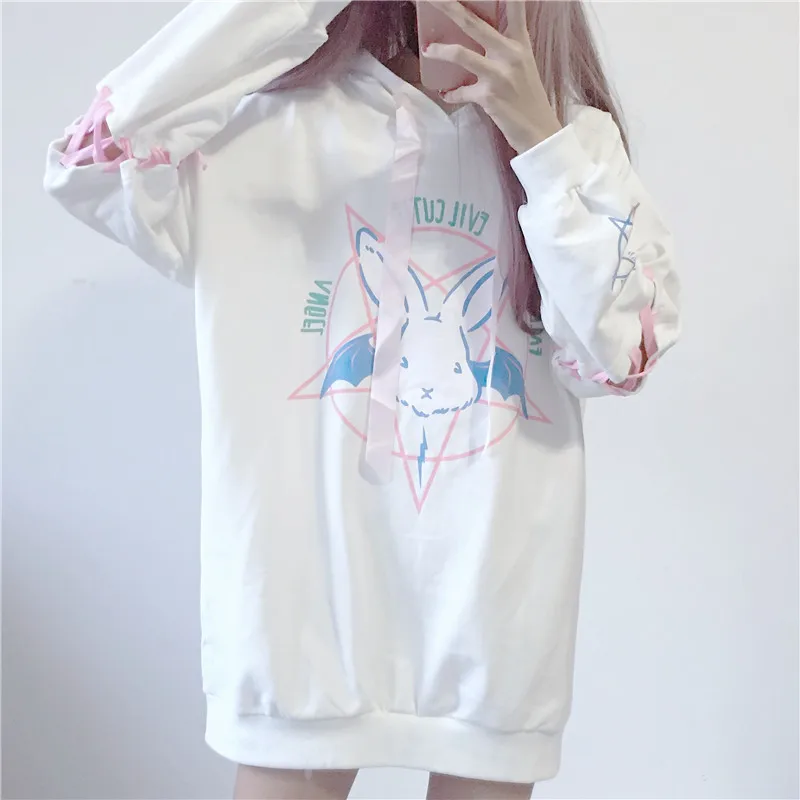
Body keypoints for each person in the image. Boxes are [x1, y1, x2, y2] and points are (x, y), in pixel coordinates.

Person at [44, 1, 680, 798]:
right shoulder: (276, 128)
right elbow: (92, 160)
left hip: (493, 631)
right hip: (301, 626)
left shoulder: (578, 157)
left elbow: (621, 355)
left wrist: (540, 143)